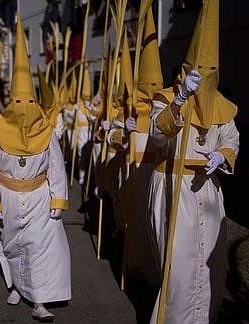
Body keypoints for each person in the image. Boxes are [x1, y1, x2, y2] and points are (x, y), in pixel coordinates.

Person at [148, 1, 239, 323]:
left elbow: (231, 138)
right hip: (174, 188)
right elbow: (157, 137)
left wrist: (222, 155)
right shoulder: (164, 99)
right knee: (180, 267)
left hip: (208, 189)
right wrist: (180, 101)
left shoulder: (222, 106)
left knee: (212, 266)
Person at [0, 13, 71, 322]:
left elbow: (56, 167)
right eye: (17, 103)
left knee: (40, 248)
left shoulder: (46, 132)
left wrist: (58, 199)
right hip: (6, 196)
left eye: (27, 103)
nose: (23, 110)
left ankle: (39, 301)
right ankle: (16, 285)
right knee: (12, 246)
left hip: (39, 198)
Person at [106, 9, 163, 322]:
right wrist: (123, 131)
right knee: (139, 225)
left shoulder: (168, 105)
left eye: (158, 83)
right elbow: (113, 139)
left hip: (163, 178)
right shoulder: (128, 110)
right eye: (148, 84)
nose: (154, 88)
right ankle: (140, 270)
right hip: (136, 178)